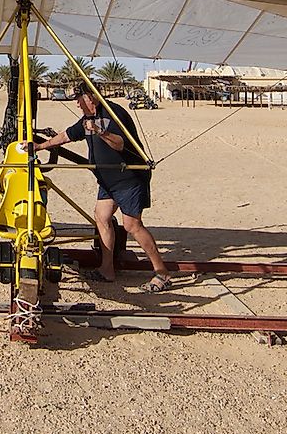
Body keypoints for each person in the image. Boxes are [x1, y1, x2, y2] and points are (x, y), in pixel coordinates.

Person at [20, 84, 175, 292]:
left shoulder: (114, 113)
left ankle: (162, 273)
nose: (76, 103)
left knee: (132, 226)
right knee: (101, 217)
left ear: (90, 97)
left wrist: (100, 132)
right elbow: (67, 135)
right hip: (108, 181)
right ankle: (107, 270)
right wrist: (40, 146)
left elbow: (120, 143)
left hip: (129, 178)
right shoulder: (86, 119)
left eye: (79, 98)